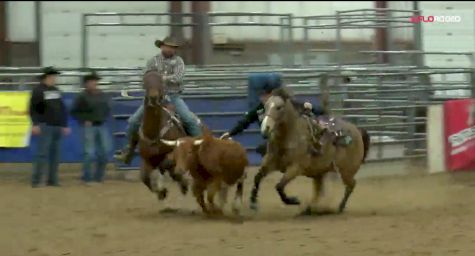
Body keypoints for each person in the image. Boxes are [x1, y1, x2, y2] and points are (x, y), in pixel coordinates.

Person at [114, 36, 202, 165]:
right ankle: (129, 150)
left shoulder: (179, 62)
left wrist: (160, 78)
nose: (170, 49)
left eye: (172, 47)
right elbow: (146, 76)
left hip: (173, 96)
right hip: (153, 98)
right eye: (167, 46)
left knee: (188, 119)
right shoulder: (153, 61)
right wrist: (153, 81)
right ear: (162, 46)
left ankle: (200, 149)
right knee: (133, 121)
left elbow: (178, 77)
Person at [220, 75, 326, 156]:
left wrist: (314, 108)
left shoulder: (284, 104)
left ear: (272, 95)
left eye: (265, 95)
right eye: (261, 95)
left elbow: (304, 107)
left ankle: (313, 147)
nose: (262, 98)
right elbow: (245, 121)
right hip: (275, 141)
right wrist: (231, 133)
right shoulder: (260, 109)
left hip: (293, 139)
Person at [29, 66, 71, 188]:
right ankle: (36, 180)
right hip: (45, 125)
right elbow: (33, 109)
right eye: (53, 77)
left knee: (55, 155)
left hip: (57, 126)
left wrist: (64, 124)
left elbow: (62, 108)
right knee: (42, 154)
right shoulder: (38, 91)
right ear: (46, 77)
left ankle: (52, 179)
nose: (54, 79)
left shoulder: (56, 90)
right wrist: (35, 124)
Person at [71, 71, 112, 185]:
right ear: (86, 83)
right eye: (92, 81)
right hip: (88, 127)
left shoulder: (102, 95)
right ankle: (87, 177)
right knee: (89, 153)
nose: (94, 83)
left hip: (101, 125)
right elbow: (73, 112)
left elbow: (107, 108)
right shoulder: (81, 96)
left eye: (95, 81)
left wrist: (103, 117)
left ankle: (99, 177)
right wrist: (84, 119)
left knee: (104, 152)